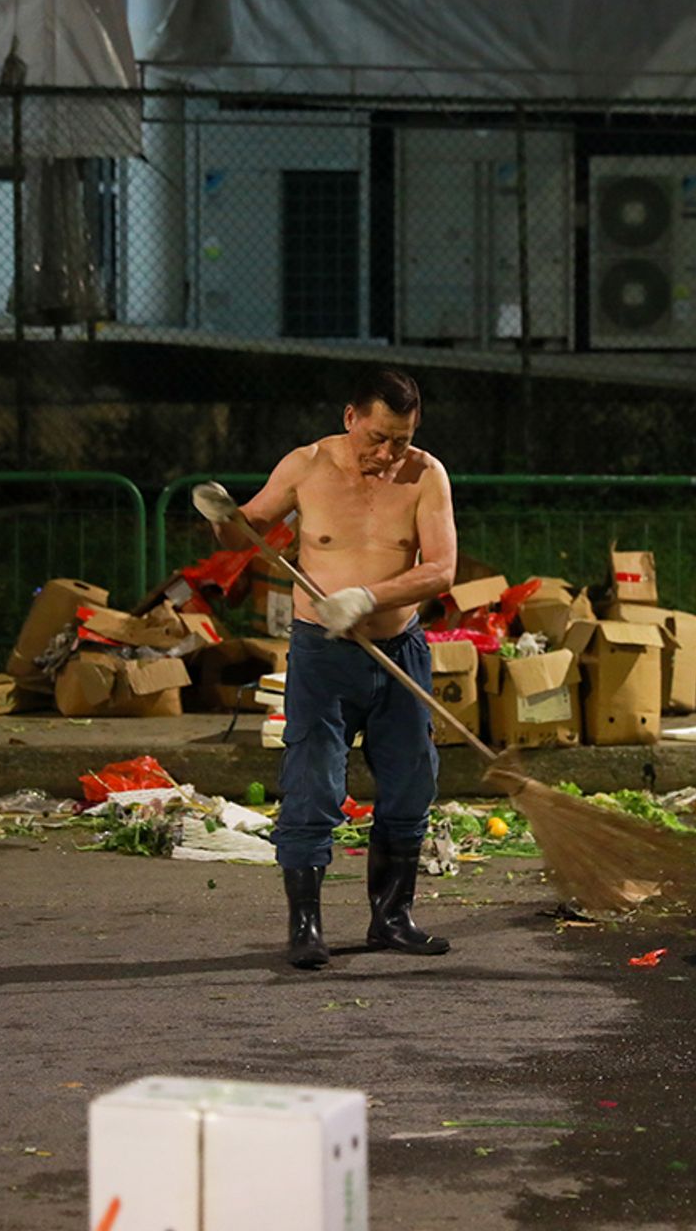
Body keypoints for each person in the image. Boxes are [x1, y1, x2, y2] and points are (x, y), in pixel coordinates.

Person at [193, 370, 456, 970]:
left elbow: (441, 569)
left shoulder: (425, 474)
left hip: (398, 653)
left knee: (412, 785)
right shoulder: (307, 466)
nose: (388, 454)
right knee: (313, 786)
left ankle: (392, 919)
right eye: (379, 437)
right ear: (350, 418)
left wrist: (367, 597)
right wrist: (221, 514)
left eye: (402, 439)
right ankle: (305, 927)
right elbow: (246, 528)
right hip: (322, 654)